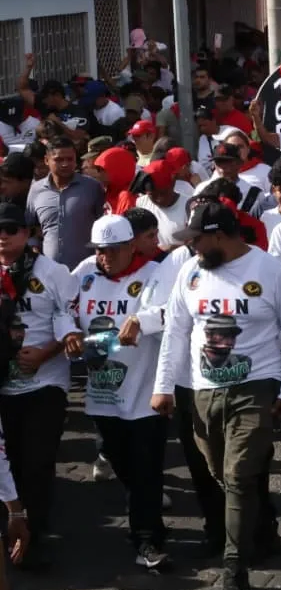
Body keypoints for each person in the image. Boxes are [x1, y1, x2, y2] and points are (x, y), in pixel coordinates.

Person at [152, 201, 281, 590]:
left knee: (237, 476)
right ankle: (261, 530)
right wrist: (163, 386)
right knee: (223, 475)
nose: (193, 248)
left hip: (256, 385)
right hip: (203, 390)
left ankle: (234, 566)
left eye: (198, 240)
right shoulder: (190, 272)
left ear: (220, 236)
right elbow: (176, 333)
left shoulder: (271, 271)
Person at [66, 215, 168, 570]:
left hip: (144, 391)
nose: (104, 257)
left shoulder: (155, 272)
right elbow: (62, 308)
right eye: (99, 251)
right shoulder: (84, 271)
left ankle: (147, 538)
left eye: (112, 250)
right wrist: (68, 333)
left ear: (130, 247)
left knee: (146, 468)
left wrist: (142, 320)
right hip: (102, 391)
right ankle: (144, 512)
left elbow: (169, 311)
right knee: (120, 459)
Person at [0, 202, 76, 570]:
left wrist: (47, 352)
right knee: (8, 463)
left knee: (37, 462)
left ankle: (38, 535)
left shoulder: (53, 272)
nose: (3, 238)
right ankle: (12, 529)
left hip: (46, 380)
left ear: (29, 233)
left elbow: (70, 317)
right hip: (4, 383)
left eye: (11, 230)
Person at [25, 136, 106, 269]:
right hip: (49, 271)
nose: (65, 164)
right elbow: (29, 227)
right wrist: (34, 248)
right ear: (46, 160)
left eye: (70, 159)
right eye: (58, 160)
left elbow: (103, 224)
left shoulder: (92, 187)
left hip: (87, 271)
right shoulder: (36, 190)